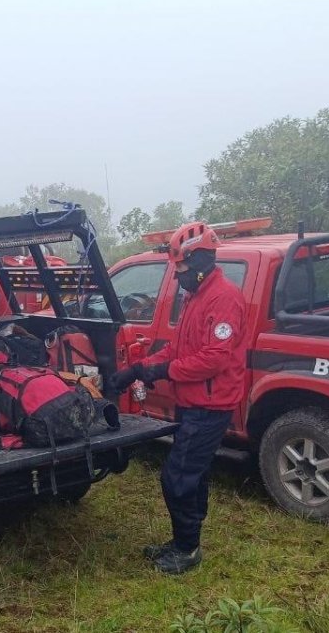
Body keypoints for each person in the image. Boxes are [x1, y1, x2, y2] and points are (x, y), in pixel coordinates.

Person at [110, 222, 247, 575]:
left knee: (178, 477)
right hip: (193, 401)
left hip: (210, 404)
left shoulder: (224, 298)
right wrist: (139, 368)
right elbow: (179, 348)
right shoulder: (196, 297)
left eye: (181, 269)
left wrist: (163, 372)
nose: (177, 276)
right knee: (193, 473)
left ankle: (187, 549)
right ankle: (187, 539)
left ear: (200, 262)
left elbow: (214, 359)